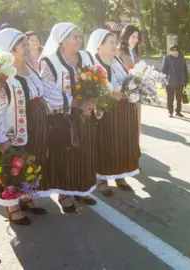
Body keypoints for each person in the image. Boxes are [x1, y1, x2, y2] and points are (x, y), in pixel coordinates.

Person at [0, 28, 63, 224]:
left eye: (25, 42)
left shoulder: (30, 68)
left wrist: (69, 101)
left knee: (33, 161)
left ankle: (27, 197)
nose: (27, 46)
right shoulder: (4, 76)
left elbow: (45, 91)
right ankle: (12, 207)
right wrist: (1, 138)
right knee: (13, 165)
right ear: (10, 50)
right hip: (16, 129)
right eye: (22, 44)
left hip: (36, 127)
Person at [38, 22, 98, 211]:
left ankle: (82, 189)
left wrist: (93, 102)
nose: (79, 40)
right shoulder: (49, 61)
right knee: (65, 153)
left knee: (85, 152)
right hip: (62, 118)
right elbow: (46, 90)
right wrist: (74, 102)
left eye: (80, 36)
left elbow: (99, 81)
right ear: (61, 40)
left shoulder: (86, 56)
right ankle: (63, 193)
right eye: (74, 37)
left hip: (85, 115)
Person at [86, 29, 140, 196]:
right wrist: (110, 94)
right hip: (106, 114)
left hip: (123, 111)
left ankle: (120, 175)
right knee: (107, 144)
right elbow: (92, 89)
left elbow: (126, 81)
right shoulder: (93, 63)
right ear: (99, 45)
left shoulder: (116, 60)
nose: (114, 45)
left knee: (122, 144)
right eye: (110, 42)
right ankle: (102, 178)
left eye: (115, 42)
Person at [117, 25, 143, 144]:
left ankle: (135, 146)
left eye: (137, 37)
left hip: (134, 90)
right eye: (133, 36)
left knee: (136, 120)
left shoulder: (133, 51)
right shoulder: (121, 50)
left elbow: (138, 69)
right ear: (126, 36)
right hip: (123, 93)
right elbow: (131, 68)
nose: (135, 40)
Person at [162, 44, 189, 118]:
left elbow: (185, 69)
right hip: (170, 82)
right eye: (173, 50)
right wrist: (163, 81)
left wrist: (186, 81)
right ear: (170, 51)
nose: (174, 51)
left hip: (180, 81)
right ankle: (170, 111)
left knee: (179, 98)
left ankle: (178, 111)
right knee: (170, 98)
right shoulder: (167, 58)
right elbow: (164, 71)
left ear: (178, 50)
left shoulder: (182, 58)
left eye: (176, 50)